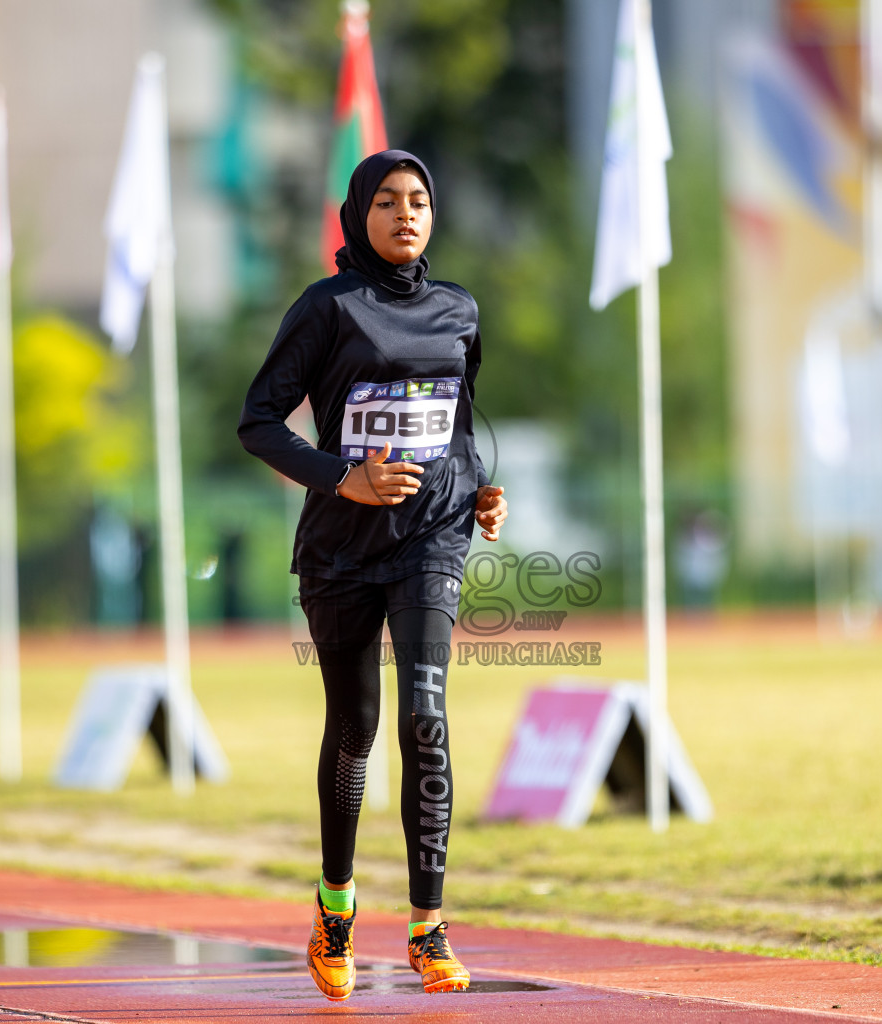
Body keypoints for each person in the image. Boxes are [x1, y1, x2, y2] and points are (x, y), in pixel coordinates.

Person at [238, 149, 507, 1000]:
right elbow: (257, 422)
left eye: (420, 200)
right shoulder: (326, 308)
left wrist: (479, 492)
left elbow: (458, 428)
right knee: (354, 727)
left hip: (432, 539)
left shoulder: (459, 310)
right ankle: (335, 911)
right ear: (359, 214)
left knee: (425, 717)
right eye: (387, 201)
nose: (405, 214)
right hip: (341, 551)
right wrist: (342, 477)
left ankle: (429, 928)